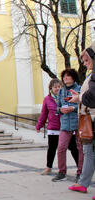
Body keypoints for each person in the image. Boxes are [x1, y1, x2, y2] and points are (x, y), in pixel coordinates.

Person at [68, 42, 95, 198]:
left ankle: (83, 183)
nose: (85, 64)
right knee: (88, 152)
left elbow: (91, 97)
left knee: (90, 153)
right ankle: (83, 183)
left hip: (92, 118)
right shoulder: (90, 76)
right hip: (88, 119)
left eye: (86, 60)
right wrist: (78, 98)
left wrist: (79, 98)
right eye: (83, 61)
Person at [36, 79, 79, 175]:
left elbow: (73, 108)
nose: (58, 88)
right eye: (55, 87)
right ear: (51, 88)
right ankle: (48, 167)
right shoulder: (47, 99)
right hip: (53, 128)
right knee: (52, 148)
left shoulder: (65, 96)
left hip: (66, 127)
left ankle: (80, 168)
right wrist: (39, 125)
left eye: (59, 86)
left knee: (73, 148)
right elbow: (44, 114)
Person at [51, 69, 84, 182]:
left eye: (68, 76)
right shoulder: (61, 92)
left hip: (78, 123)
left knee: (80, 148)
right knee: (61, 148)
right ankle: (62, 172)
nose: (65, 78)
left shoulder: (79, 89)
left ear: (73, 77)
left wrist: (73, 108)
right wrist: (61, 110)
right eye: (64, 76)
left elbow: (83, 106)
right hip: (65, 125)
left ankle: (80, 173)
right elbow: (57, 108)